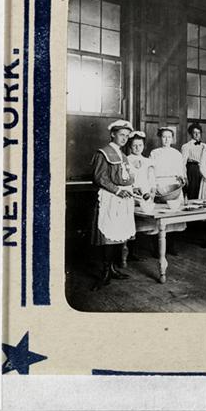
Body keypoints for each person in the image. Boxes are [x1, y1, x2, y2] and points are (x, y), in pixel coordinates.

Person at [90, 119, 135, 290]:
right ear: (112, 134)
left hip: (123, 199)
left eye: (127, 136)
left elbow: (126, 177)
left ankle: (113, 269)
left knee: (119, 233)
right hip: (110, 198)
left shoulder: (123, 156)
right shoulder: (103, 153)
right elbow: (99, 178)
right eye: (121, 135)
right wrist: (117, 190)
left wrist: (132, 189)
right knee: (108, 235)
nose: (124, 138)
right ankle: (106, 272)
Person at [124, 130, 156, 262]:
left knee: (148, 221)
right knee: (131, 222)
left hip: (146, 195)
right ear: (130, 146)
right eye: (134, 145)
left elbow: (152, 179)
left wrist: (152, 192)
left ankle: (150, 249)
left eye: (140, 145)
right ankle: (131, 252)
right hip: (131, 195)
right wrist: (132, 188)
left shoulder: (148, 161)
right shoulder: (126, 160)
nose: (137, 148)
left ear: (144, 146)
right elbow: (124, 179)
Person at [150, 127, 186, 205]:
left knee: (176, 207)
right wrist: (154, 186)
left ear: (172, 139)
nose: (166, 140)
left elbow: (180, 171)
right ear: (160, 138)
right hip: (160, 185)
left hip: (174, 185)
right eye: (164, 137)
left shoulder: (177, 154)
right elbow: (151, 172)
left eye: (169, 137)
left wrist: (181, 178)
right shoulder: (154, 153)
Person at [181, 122, 206, 200]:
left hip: (203, 169)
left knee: (201, 191)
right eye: (194, 132)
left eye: (198, 132)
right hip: (192, 170)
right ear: (190, 134)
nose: (197, 134)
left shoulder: (204, 146)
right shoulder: (186, 146)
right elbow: (183, 163)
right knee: (192, 192)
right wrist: (184, 176)